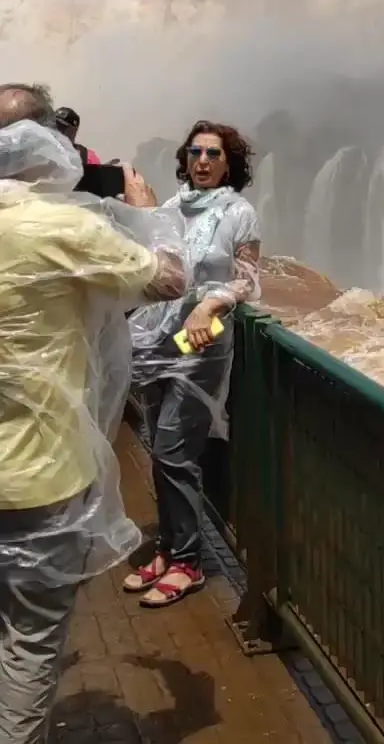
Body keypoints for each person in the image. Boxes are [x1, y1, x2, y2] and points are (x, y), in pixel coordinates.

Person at [0, 83, 187, 744]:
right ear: (51, 143)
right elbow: (168, 281)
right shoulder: (63, 227)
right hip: (42, 479)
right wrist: (148, 216)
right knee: (28, 645)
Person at [125, 120, 261, 607]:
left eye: (214, 154)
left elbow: (247, 278)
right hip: (157, 338)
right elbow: (154, 267)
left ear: (230, 164)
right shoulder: (167, 209)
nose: (203, 161)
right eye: (196, 152)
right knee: (159, 447)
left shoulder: (239, 213)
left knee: (174, 451)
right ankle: (167, 547)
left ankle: (188, 561)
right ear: (184, 159)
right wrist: (141, 214)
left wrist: (211, 304)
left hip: (200, 345)